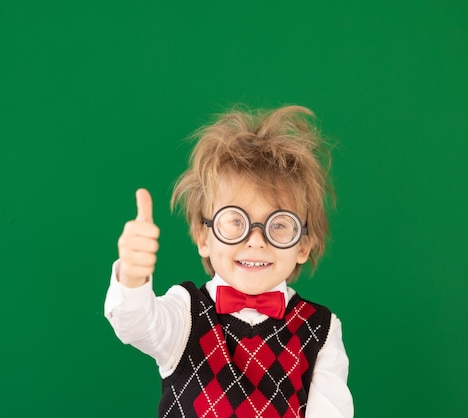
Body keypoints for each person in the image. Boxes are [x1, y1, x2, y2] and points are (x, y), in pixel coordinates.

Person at [104, 105, 354, 417]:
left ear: (303, 245)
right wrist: (131, 277)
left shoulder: (321, 330)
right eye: (235, 221)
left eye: (279, 224)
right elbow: (136, 323)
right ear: (203, 237)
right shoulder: (185, 312)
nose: (256, 240)